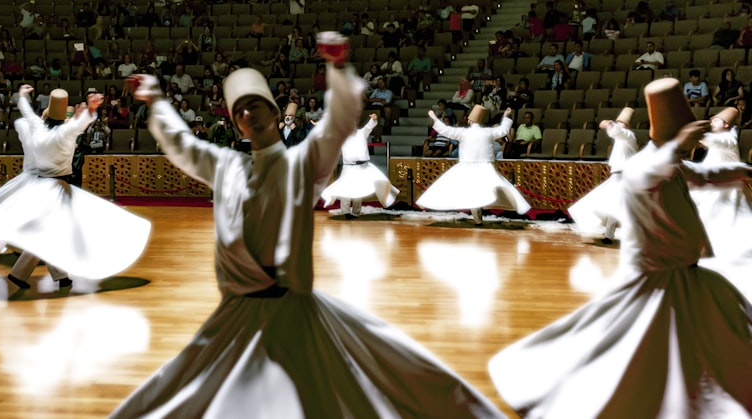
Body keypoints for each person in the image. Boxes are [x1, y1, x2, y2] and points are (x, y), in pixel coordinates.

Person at [115, 33, 506, 418]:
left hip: (292, 309)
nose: (250, 114)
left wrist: (337, 68)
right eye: (241, 111)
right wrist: (155, 100)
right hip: (236, 314)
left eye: (256, 106)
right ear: (238, 124)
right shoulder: (226, 167)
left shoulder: (302, 164)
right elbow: (182, 145)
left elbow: (337, 124)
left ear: (273, 111)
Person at [489, 77, 752, 419]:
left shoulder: (675, 165)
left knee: (709, 335)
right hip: (655, 279)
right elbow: (651, 171)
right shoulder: (644, 166)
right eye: (686, 136)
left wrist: (741, 170)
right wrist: (676, 145)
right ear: (674, 136)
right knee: (632, 342)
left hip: (687, 276)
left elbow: (706, 174)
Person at [0, 86, 151, 291]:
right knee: (51, 231)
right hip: (57, 187)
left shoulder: (37, 126)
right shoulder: (65, 132)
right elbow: (79, 125)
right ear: (64, 117)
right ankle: (21, 273)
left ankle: (60, 276)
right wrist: (90, 109)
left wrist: (23, 95)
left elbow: (26, 112)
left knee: (50, 230)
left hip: (34, 184)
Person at [417, 105, 531, 225]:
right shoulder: (488, 132)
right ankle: (482, 216)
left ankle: (478, 218)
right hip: (485, 167)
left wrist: (435, 118)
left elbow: (446, 130)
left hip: (468, 167)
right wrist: (506, 117)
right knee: (492, 187)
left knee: (454, 187)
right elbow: (503, 130)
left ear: (470, 121)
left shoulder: (464, 132)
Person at [689, 107, 752, 261]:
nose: (712, 122)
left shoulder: (727, 139)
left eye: (716, 120)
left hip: (725, 195)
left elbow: (707, 139)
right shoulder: (718, 143)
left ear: (725, 125)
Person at [567, 107, 638, 244]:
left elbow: (617, 131)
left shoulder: (628, 135)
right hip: (618, 177)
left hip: (626, 177)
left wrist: (610, 124)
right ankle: (609, 235)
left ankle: (634, 236)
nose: (618, 124)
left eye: (620, 123)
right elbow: (615, 132)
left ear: (626, 125)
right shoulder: (620, 138)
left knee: (626, 208)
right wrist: (609, 125)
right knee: (612, 205)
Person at [321, 113, 400, 218]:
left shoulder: (362, 133)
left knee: (359, 189)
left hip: (362, 167)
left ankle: (356, 212)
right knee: (346, 189)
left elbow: (369, 126)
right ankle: (345, 211)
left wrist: (374, 119)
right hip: (348, 167)